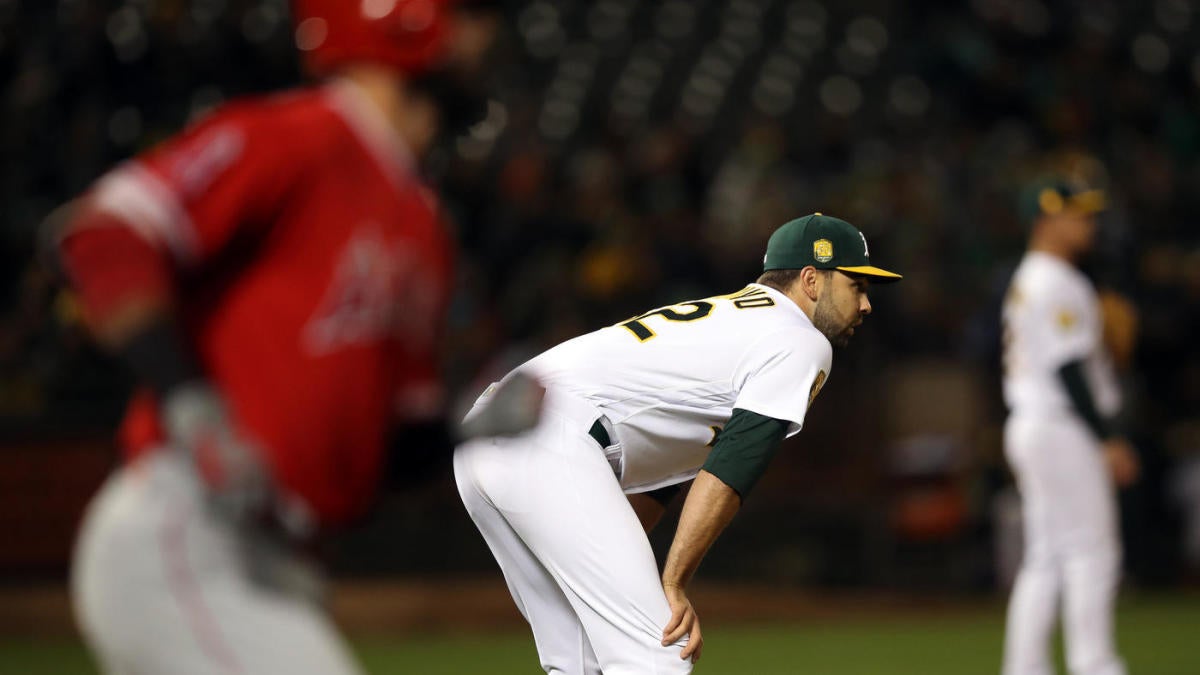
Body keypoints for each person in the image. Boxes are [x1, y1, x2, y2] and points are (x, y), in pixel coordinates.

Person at [58, 1, 517, 673]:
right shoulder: (298, 136)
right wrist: (192, 405)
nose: (483, 39)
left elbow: (386, 449)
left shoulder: (420, 219)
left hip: (279, 560)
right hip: (189, 528)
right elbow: (104, 233)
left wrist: (471, 428)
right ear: (403, 21)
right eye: (465, 16)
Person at [455, 213, 902, 673]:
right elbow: (730, 472)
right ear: (811, 280)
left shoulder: (731, 325)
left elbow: (662, 473)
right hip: (548, 437)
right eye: (857, 285)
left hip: (492, 428)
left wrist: (633, 577)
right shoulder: (799, 340)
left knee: (579, 662)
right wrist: (672, 583)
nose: (866, 305)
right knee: (660, 654)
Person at [1000, 177, 1141, 675]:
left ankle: (1025, 667)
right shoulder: (1056, 280)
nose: (1088, 223)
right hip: (1061, 426)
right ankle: (1096, 664)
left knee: (1047, 557)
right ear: (1046, 220)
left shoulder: (1030, 277)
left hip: (1034, 423)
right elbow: (1068, 368)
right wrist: (1109, 437)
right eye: (1077, 214)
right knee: (1092, 553)